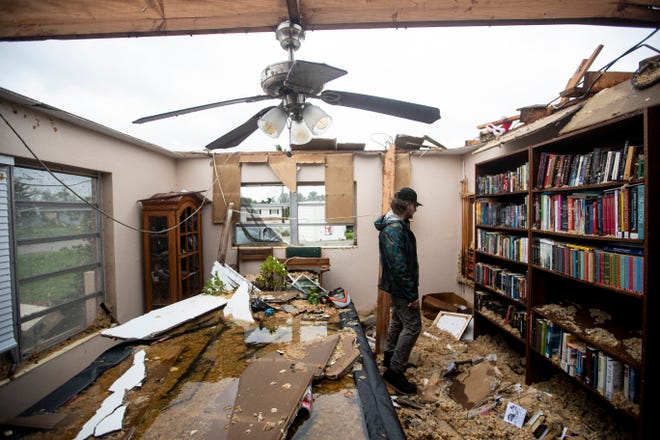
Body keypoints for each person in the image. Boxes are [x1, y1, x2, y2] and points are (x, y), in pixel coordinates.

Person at [374, 187, 422, 395]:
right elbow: (398, 265)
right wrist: (412, 294)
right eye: (415, 206)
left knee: (398, 321)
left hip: (397, 285)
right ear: (408, 205)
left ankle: (390, 357)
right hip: (401, 287)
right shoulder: (394, 229)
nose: (416, 211)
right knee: (413, 326)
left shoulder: (396, 224)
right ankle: (395, 371)